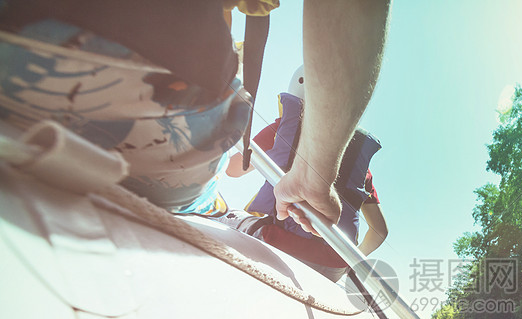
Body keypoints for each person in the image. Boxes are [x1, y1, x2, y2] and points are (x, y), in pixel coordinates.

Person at [0, 0, 390, 224]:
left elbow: (243, 165)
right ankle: (212, 209)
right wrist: (313, 174)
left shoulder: (277, 130)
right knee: (207, 194)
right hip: (157, 108)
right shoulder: (360, 169)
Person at [225, 66, 388, 281]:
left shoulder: (282, 128)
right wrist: (350, 261)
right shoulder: (362, 169)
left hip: (279, 242)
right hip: (334, 264)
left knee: (227, 218)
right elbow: (379, 232)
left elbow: (232, 170)